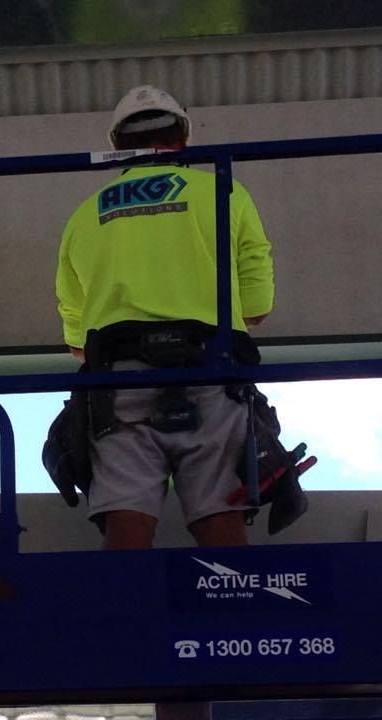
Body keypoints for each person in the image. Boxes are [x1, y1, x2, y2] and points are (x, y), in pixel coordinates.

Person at [54, 85, 275, 552]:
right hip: (210, 368)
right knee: (220, 511)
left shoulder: (83, 215)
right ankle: (232, 618)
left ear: (118, 147)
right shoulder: (222, 189)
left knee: (126, 517)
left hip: (117, 380)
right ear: (182, 139)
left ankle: (128, 616)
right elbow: (256, 299)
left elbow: (74, 322)